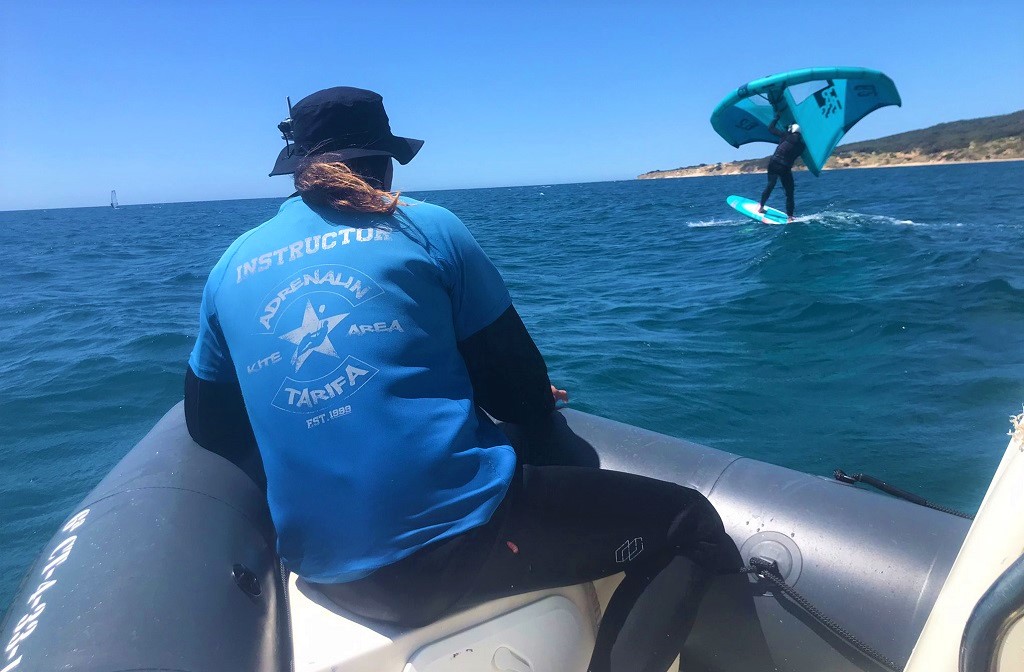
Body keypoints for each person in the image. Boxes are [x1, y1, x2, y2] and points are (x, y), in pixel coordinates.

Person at [185, 86, 735, 672]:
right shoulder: (425, 227)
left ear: (297, 169)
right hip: (454, 551)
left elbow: (209, 424)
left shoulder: (230, 266)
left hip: (322, 570)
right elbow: (522, 395)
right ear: (384, 160)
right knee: (689, 523)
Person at [758, 112, 806, 222]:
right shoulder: (802, 146)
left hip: (774, 164)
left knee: (770, 186)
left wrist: (777, 118)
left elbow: (770, 128)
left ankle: (761, 208)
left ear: (791, 131)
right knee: (789, 193)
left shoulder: (785, 135)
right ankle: (790, 217)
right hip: (785, 169)